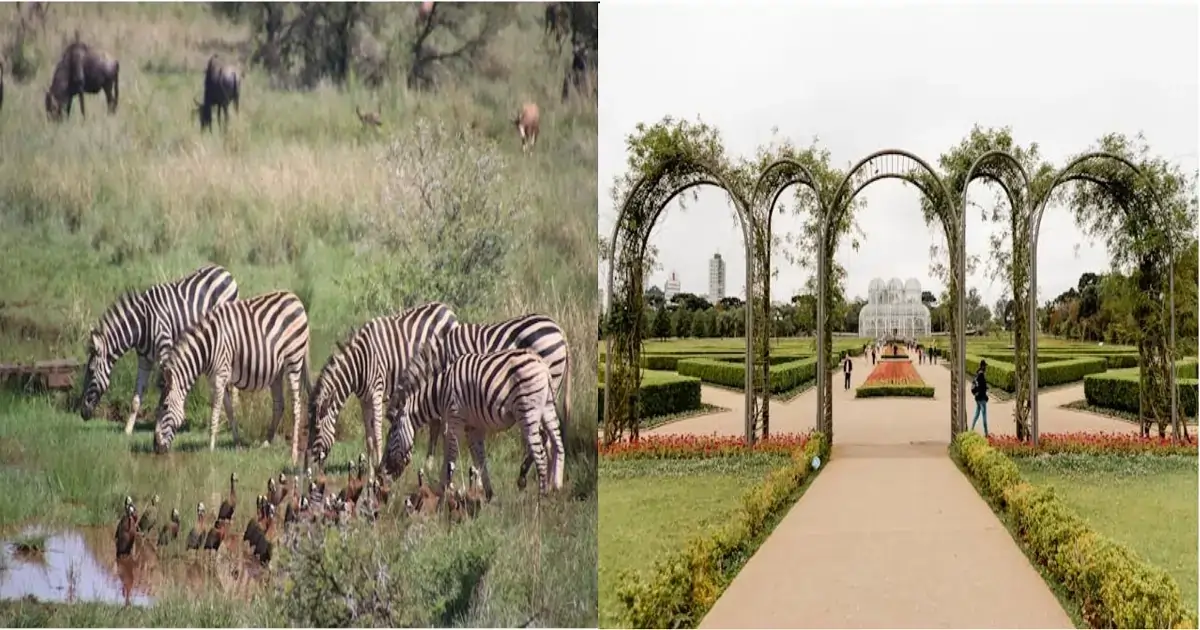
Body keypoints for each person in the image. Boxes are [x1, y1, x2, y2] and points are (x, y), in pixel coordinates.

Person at [970, 360, 989, 436]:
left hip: (977, 398)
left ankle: (972, 429)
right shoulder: (981, 375)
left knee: (977, 414)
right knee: (984, 415)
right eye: (985, 366)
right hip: (982, 398)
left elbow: (978, 385)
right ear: (982, 366)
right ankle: (986, 433)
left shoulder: (977, 374)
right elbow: (982, 387)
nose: (986, 368)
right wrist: (985, 396)